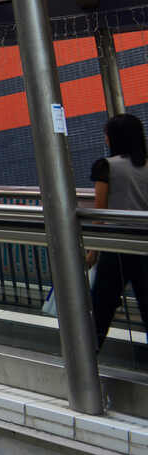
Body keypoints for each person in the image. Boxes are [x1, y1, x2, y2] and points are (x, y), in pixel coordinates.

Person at [87, 113, 148, 347]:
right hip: (144, 245)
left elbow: (100, 214)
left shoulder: (105, 167)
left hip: (117, 247)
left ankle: (88, 361)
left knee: (101, 307)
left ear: (115, 137)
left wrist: (93, 251)